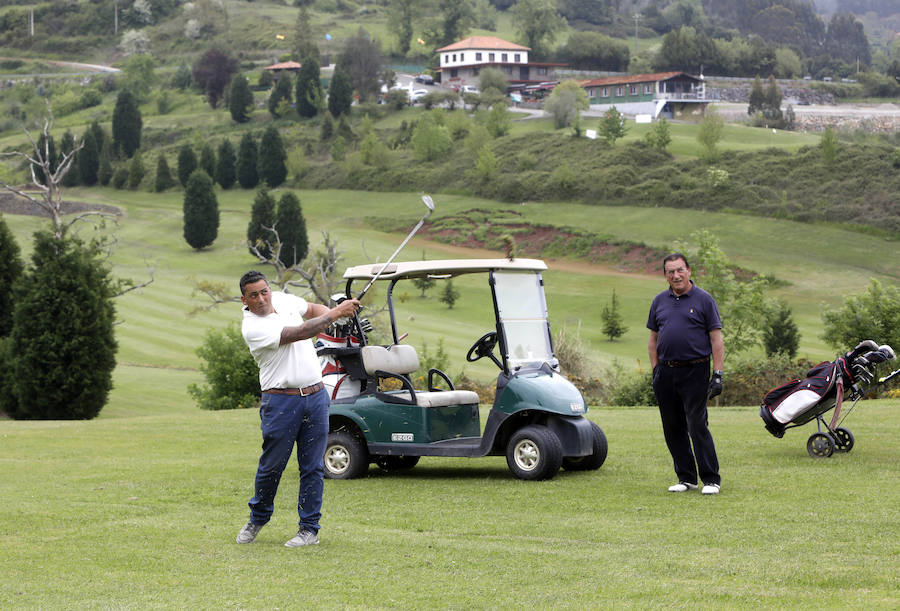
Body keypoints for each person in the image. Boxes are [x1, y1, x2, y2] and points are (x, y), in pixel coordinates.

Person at [235, 270, 360, 546]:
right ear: (244, 299)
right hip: (281, 401)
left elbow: (313, 310)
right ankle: (258, 518)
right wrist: (336, 313)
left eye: (264, 291)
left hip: (315, 396)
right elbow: (300, 331)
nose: (261, 298)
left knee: (313, 467)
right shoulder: (253, 327)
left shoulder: (283, 299)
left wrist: (328, 315)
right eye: (253, 295)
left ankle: (309, 530)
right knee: (272, 466)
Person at [646, 253, 725, 495]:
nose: (675, 275)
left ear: (689, 271)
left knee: (696, 424)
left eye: (679, 270)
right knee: (672, 426)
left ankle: (711, 479)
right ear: (665, 275)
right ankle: (686, 477)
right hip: (666, 372)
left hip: (695, 370)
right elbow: (653, 340)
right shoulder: (659, 301)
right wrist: (656, 369)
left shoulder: (704, 300)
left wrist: (718, 373)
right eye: (670, 271)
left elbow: (716, 339)